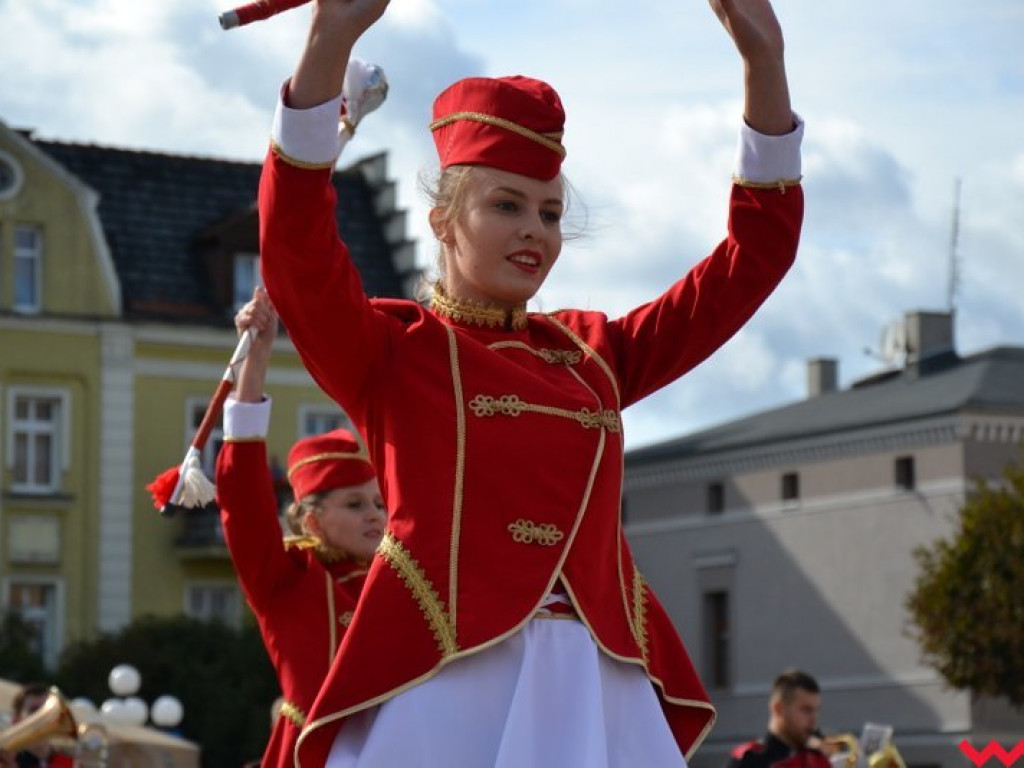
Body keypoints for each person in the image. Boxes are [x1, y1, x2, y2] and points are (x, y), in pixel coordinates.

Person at [259, 0, 804, 764]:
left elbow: (753, 262)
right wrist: (327, 41)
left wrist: (764, 65)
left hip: (596, 683)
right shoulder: (394, 350)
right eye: (507, 206)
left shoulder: (594, 354)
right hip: (447, 681)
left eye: (550, 213)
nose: (536, 232)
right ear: (444, 220)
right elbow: (295, 248)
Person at [214, 286, 387, 768]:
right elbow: (243, 498)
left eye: (378, 502)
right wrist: (257, 360)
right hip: (310, 753)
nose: (375, 514)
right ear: (312, 519)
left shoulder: (402, 580)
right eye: (355, 504)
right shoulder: (287, 578)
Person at [727, 670, 832, 768]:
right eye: (806, 710)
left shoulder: (817, 758)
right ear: (779, 709)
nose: (813, 718)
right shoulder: (750, 760)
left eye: (816, 710)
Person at [0, 684, 74, 768]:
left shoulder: (70, 761)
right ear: (16, 720)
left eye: (50, 712)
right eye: (34, 710)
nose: (44, 718)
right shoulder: (6, 760)